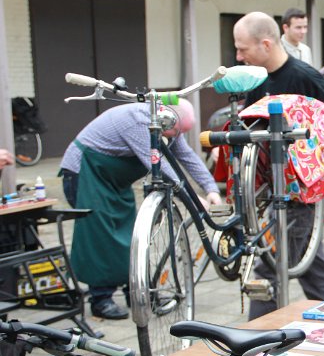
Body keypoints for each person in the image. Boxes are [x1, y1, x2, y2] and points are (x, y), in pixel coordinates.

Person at [233, 11, 324, 320]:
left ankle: (255, 337)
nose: (238, 56)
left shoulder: (303, 77)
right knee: (313, 267)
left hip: (300, 193)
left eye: (243, 49)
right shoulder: (258, 80)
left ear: (265, 44)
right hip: (275, 191)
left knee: (271, 266)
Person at [60, 100, 221, 320]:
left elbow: (187, 156)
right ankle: (100, 299)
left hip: (113, 181)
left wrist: (211, 189)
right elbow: (158, 164)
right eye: (175, 131)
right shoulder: (138, 122)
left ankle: (137, 293)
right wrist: (191, 197)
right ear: (166, 117)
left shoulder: (170, 124)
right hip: (85, 173)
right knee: (100, 236)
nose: (176, 137)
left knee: (130, 236)